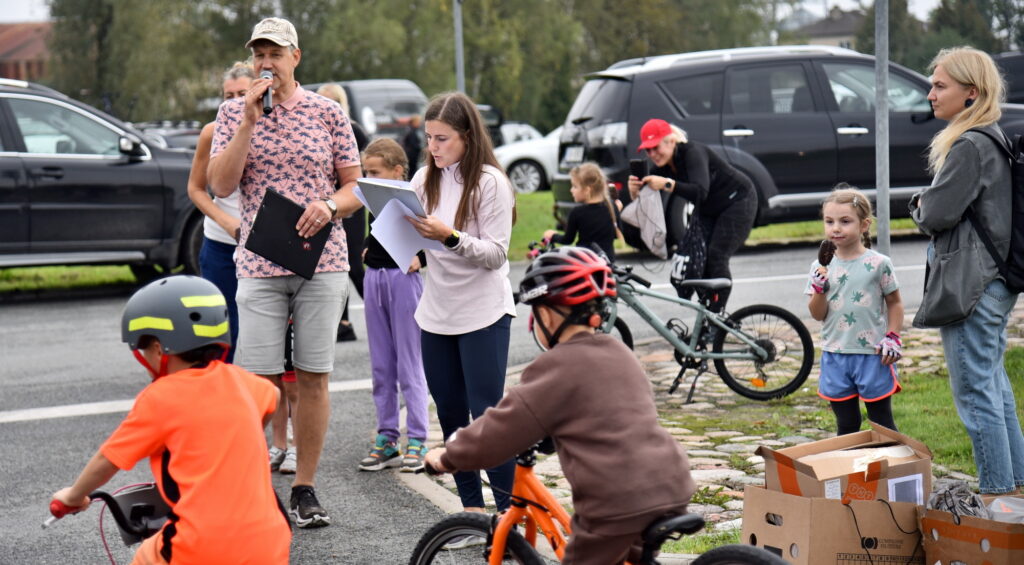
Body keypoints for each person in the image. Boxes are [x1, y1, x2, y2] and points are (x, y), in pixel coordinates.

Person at [424, 247, 695, 564]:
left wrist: (448, 455)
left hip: (618, 504)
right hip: (673, 483)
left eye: (535, 312)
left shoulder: (554, 368)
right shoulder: (619, 352)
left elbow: (498, 431)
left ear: (549, 314)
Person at [208, 16, 363, 528]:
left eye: (276, 53)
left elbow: (355, 187)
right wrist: (249, 120)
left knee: (315, 376)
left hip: (322, 260)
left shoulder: (327, 112)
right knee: (259, 381)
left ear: (297, 57)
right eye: (259, 54)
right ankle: (253, 483)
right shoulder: (234, 113)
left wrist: (330, 205)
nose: (266, 62)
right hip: (258, 262)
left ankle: (305, 487)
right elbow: (221, 183)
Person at [51, 275, 290, 564]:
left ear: (157, 347)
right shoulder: (245, 382)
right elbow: (273, 398)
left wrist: (73, 496)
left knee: (145, 556)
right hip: (270, 538)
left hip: (203, 544)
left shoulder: (160, 397)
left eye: (142, 347)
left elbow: (109, 458)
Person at [910, 46, 1024, 499]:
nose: (930, 94)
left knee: (977, 394)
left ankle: (997, 494)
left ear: (971, 93)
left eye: (940, 85)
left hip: (971, 288)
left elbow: (935, 213)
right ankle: (1015, 488)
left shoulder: (970, 144)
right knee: (994, 387)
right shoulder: (989, 136)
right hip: (991, 284)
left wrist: (919, 202)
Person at [405, 92, 517, 523]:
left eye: (443, 139)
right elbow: (415, 241)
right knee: (450, 414)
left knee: (486, 417)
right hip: (436, 313)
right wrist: (408, 249)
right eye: (430, 138)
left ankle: (507, 515)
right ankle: (472, 511)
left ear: (467, 137)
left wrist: (448, 236)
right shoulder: (421, 179)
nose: (433, 148)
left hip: (483, 313)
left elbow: (496, 255)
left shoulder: (490, 181)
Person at [628, 118, 756, 313]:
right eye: (648, 150)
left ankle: (717, 317)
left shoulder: (693, 153)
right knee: (696, 261)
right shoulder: (666, 163)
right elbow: (641, 198)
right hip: (710, 208)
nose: (653, 154)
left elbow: (699, 191)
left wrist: (666, 184)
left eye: (656, 147)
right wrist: (634, 191)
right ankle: (707, 313)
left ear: (671, 141)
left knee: (716, 256)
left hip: (737, 201)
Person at [356, 138, 431, 473]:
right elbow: (377, 229)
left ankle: (417, 437)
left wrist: (422, 258)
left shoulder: (415, 198)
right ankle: (387, 438)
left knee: (409, 363)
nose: (368, 176)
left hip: (403, 279)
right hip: (374, 276)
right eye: (366, 171)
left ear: (397, 171)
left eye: (375, 171)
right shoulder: (374, 196)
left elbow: (433, 235)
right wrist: (365, 250)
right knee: (382, 365)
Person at [805, 186, 904, 436]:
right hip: (835, 354)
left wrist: (892, 335)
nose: (835, 228)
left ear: (863, 225)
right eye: (829, 221)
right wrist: (819, 288)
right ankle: (851, 473)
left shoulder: (879, 264)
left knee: (882, 422)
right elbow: (817, 314)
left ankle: (891, 470)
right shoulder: (820, 266)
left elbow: (894, 302)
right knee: (847, 425)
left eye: (845, 221)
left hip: (872, 354)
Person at [186, 61, 254, 362]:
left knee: (262, 334)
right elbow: (196, 189)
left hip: (264, 249)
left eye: (243, 93)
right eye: (229, 95)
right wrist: (227, 223)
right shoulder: (211, 132)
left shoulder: (276, 130)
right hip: (221, 246)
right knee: (223, 332)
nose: (236, 100)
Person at [316, 83, 369, 342]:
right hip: (326, 205)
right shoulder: (314, 130)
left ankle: (381, 309)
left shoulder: (353, 129)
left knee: (354, 263)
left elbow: (366, 168)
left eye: (331, 102)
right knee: (334, 264)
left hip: (351, 206)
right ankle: (343, 322)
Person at [543, 162, 619, 261]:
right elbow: (616, 235)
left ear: (587, 190)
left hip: (586, 262)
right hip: (607, 262)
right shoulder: (612, 207)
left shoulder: (577, 212)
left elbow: (568, 239)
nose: (571, 190)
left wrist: (552, 236)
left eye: (575, 186)